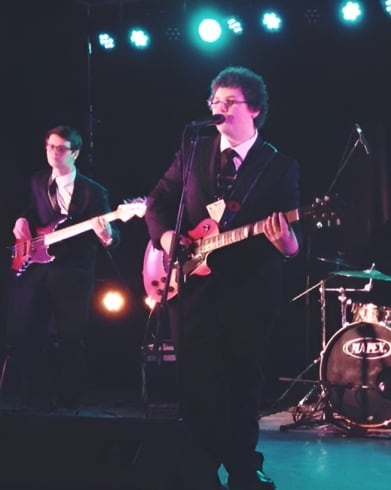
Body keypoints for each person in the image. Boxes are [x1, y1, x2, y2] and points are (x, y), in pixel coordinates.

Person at [145, 66, 300, 490]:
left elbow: (291, 246)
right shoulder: (194, 151)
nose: (219, 108)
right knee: (196, 382)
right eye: (215, 101)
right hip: (192, 287)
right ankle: (198, 468)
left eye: (228, 102)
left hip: (249, 291)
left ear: (255, 109)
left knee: (241, 381)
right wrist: (166, 236)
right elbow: (158, 201)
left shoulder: (279, 165)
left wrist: (285, 241)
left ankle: (244, 468)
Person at [4, 125, 118, 412]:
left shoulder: (94, 192)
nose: (54, 153)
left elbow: (111, 236)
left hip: (74, 274)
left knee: (71, 339)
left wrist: (107, 236)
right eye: (50, 147)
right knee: (31, 334)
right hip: (38, 269)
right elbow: (30, 211)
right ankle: (32, 399)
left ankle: (69, 401)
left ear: (75, 153)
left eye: (61, 148)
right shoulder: (37, 180)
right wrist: (20, 221)